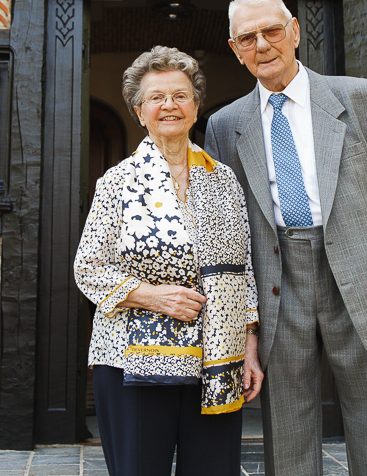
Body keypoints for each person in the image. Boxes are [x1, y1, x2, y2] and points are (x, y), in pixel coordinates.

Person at [204, 0, 367, 476]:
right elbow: (226, 232)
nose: (262, 45)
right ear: (235, 49)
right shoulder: (224, 125)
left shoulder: (361, 98)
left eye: (271, 31)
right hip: (279, 283)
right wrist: (242, 326)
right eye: (247, 38)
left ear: (295, 32)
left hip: (363, 279)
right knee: (287, 432)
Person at [74, 45, 263, 476]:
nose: (169, 106)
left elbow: (244, 268)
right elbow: (88, 268)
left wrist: (250, 346)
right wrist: (151, 296)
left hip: (216, 356)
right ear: (139, 111)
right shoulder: (117, 182)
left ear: (196, 107)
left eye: (180, 95)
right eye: (156, 97)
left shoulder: (224, 179)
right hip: (129, 360)